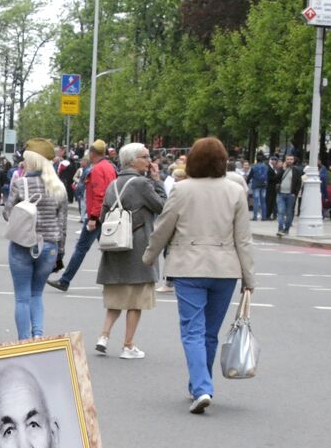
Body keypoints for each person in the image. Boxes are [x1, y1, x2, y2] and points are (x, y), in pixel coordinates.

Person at [143, 137, 254, 414]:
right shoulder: (235, 190)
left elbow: (163, 228)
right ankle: (200, 384)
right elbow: (244, 239)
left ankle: (202, 387)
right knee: (210, 333)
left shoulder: (181, 189)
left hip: (189, 267)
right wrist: (249, 278)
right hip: (225, 269)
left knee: (192, 330)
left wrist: (149, 256)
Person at [93, 143, 165, 359]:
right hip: (138, 245)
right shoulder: (142, 184)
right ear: (133, 160)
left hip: (115, 246)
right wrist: (157, 180)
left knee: (116, 295)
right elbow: (162, 206)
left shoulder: (113, 184)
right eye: (145, 156)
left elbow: (102, 216)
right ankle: (128, 345)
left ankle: (103, 336)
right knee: (136, 299)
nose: (149, 160)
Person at [1, 139, 67, 340]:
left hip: (23, 244)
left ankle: (24, 340)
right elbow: (62, 224)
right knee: (37, 294)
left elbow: (7, 214)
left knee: (22, 297)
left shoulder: (21, 184)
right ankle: (38, 334)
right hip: (49, 246)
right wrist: (60, 251)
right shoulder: (58, 188)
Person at [50, 139, 117, 292]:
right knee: (109, 250)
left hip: (97, 215)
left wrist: (93, 218)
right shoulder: (110, 167)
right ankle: (114, 282)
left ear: (92, 153)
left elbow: (99, 195)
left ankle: (65, 281)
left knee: (81, 249)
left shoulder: (97, 169)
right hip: (107, 214)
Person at [274, 153, 301, 234]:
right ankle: (280, 229)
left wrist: (294, 193)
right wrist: (282, 169)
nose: (289, 161)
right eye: (288, 159)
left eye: (291, 159)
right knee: (281, 211)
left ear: (293, 160)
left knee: (289, 212)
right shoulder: (281, 169)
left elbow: (298, 183)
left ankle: (286, 229)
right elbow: (276, 179)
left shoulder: (296, 170)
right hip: (281, 194)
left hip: (291, 195)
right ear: (285, 160)